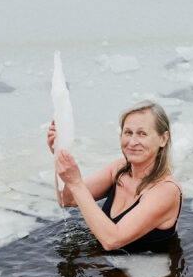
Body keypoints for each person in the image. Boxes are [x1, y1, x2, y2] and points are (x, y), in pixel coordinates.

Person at [48, 101, 182, 251]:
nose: (132, 142)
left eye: (142, 134)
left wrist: (77, 183)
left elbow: (112, 240)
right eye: (128, 133)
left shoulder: (166, 191)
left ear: (163, 139)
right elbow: (67, 199)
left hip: (149, 271)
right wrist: (59, 153)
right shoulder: (118, 169)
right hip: (112, 265)